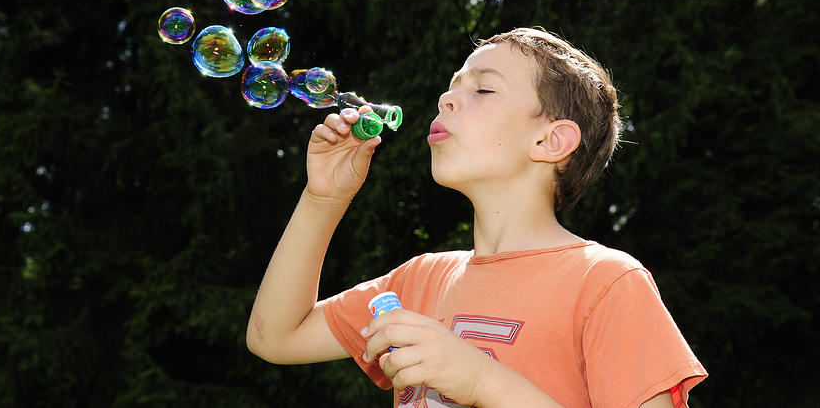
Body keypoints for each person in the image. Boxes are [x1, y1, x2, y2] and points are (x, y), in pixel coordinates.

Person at [246, 27, 707, 407]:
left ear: (550, 142)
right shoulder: (419, 280)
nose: (447, 99)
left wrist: (483, 381)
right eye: (452, 87)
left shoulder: (604, 281)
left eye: (483, 89)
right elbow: (275, 337)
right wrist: (323, 198)